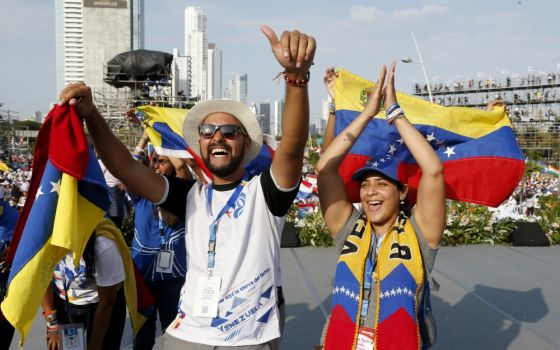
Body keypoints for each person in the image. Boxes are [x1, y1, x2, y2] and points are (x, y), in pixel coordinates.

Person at [57, 25, 315, 349]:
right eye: (207, 131)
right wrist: (91, 115)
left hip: (247, 338)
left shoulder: (264, 194)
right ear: (201, 143)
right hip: (186, 335)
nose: (217, 136)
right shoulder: (189, 195)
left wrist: (295, 79)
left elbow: (292, 145)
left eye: (229, 131)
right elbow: (124, 167)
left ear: (245, 143)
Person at [316, 63, 445, 349]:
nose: (371, 192)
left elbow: (433, 170)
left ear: (402, 192)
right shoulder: (349, 227)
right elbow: (325, 169)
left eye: (382, 184)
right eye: (365, 184)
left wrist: (394, 112)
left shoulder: (420, 233)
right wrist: (367, 112)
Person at [130, 151, 190, 350]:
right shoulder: (140, 194)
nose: (156, 166)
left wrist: (165, 144)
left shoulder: (182, 194)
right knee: (143, 337)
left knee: (173, 335)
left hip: (173, 278)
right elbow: (129, 170)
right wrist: (144, 135)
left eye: (162, 162)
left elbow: (181, 167)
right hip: (142, 277)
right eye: (154, 161)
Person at [41, 228, 127, 350]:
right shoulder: (43, 240)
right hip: (63, 302)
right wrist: (52, 326)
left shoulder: (104, 245)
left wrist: (94, 346)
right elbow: (41, 283)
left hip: (100, 305)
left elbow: (107, 303)